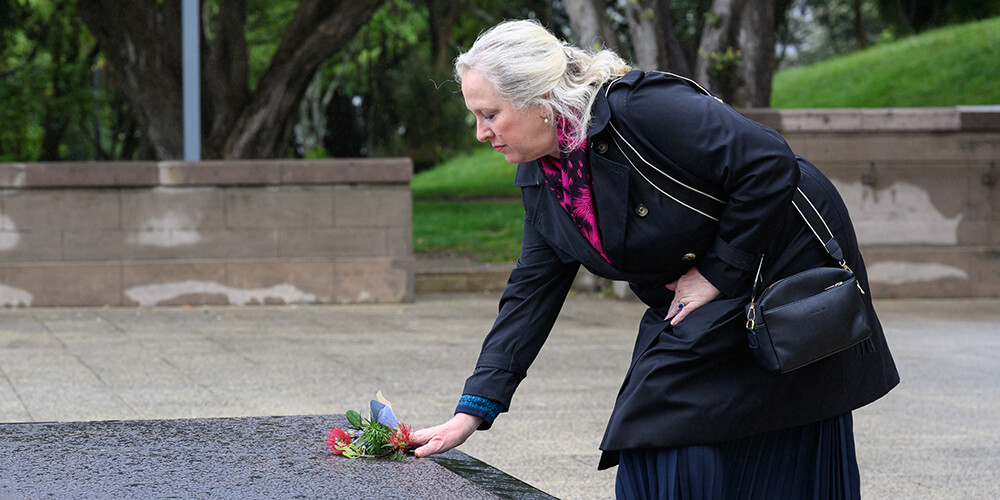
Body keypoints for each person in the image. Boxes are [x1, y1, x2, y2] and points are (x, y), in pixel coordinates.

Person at [409, 19, 899, 499]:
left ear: (539, 101)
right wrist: (473, 409)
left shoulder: (641, 107)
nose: (480, 132)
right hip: (715, 275)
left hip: (781, 257)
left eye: (490, 114)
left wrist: (716, 271)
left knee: (669, 418)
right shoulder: (545, 176)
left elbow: (769, 161)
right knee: (663, 423)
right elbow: (531, 289)